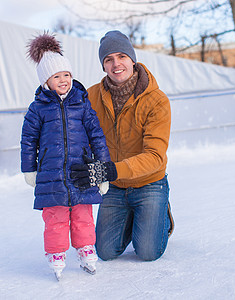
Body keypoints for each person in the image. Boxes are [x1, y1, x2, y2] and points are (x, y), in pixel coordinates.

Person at [71, 30, 174, 262]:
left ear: (132, 60)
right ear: (104, 66)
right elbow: (77, 132)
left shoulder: (156, 101)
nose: (116, 64)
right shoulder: (91, 96)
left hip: (149, 182)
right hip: (114, 186)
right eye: (109, 59)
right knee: (105, 252)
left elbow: (155, 156)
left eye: (122, 56)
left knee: (147, 252)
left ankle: (159, 214)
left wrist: (111, 169)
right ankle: (133, 217)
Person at [20, 33, 116, 280]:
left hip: (81, 171)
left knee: (83, 214)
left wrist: (103, 170)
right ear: (46, 81)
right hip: (51, 175)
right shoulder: (37, 108)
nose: (63, 80)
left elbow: (97, 137)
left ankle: (85, 249)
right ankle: (56, 253)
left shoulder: (82, 103)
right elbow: (28, 140)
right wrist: (28, 168)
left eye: (66, 75)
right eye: (56, 76)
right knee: (55, 217)